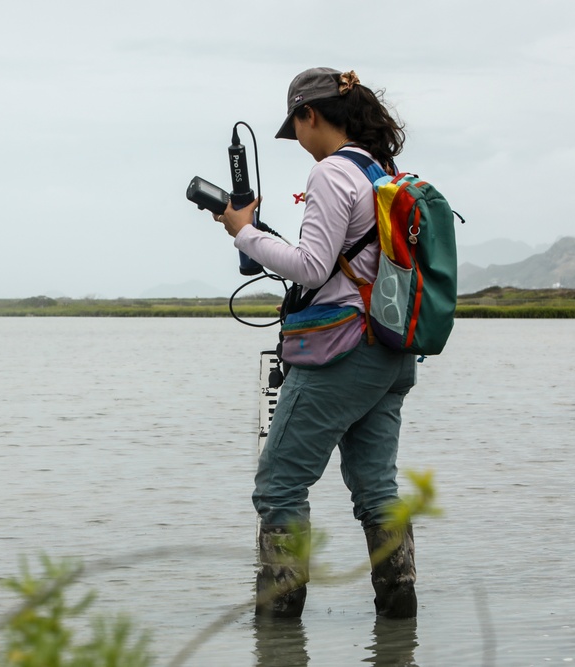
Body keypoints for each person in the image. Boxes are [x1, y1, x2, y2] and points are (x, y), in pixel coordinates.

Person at [214, 67, 418, 619]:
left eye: (297, 126)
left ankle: (278, 630)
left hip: (341, 352)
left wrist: (244, 233)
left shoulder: (331, 173)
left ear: (310, 115)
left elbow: (310, 267)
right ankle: (399, 625)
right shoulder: (382, 171)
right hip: (391, 351)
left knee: (279, 485)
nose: (298, 139)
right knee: (377, 491)